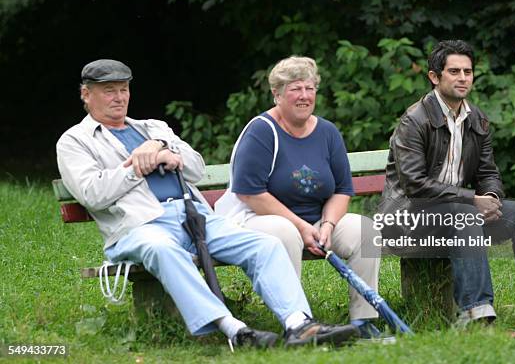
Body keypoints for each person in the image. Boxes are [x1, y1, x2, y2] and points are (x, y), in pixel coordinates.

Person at [56, 59, 359, 349]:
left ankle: (299, 324)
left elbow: (196, 168)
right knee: (162, 249)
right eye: (109, 90)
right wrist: (138, 166)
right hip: (141, 226)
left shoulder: (153, 128)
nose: (119, 97)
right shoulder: (75, 141)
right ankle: (234, 329)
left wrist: (162, 148)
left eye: (124, 89)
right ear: (86, 94)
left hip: (195, 215)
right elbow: (93, 194)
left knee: (264, 245)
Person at [378, 40, 515, 335]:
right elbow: (414, 185)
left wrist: (490, 197)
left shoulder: (477, 119)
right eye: (454, 71)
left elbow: (487, 171)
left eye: (468, 71)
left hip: (456, 214)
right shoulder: (414, 120)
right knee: (463, 212)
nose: (463, 77)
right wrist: (472, 201)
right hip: (407, 220)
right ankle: (477, 320)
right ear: (435, 77)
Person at [216, 56, 383, 339]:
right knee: (286, 233)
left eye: (309, 88)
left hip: (316, 220)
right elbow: (250, 193)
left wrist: (327, 225)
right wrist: (302, 227)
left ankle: (364, 322)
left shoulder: (328, 132)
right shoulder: (261, 131)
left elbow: (342, 190)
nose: (304, 96)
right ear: (277, 94)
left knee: (365, 230)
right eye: (295, 89)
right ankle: (299, 323)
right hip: (256, 219)